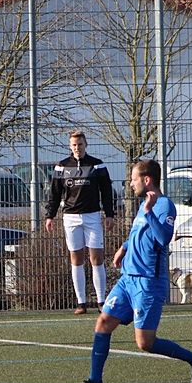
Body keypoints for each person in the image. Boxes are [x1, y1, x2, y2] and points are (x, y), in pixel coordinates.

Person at [69, 159, 192, 383]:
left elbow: (163, 238)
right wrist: (124, 247)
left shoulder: (164, 205)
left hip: (148, 282)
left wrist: (149, 212)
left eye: (133, 179)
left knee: (145, 342)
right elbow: (139, 233)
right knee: (103, 322)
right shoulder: (146, 204)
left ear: (147, 179)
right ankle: (95, 380)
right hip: (128, 279)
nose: (131, 184)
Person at [44, 130, 117, 314]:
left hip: (93, 216)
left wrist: (109, 214)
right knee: (76, 259)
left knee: (96, 258)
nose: (77, 148)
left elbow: (107, 191)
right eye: (74, 145)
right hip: (70, 217)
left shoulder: (97, 165)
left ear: (86, 145)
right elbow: (54, 193)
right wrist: (50, 216)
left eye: (80, 144)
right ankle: (81, 303)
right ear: (70, 146)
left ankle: (101, 301)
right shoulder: (61, 166)